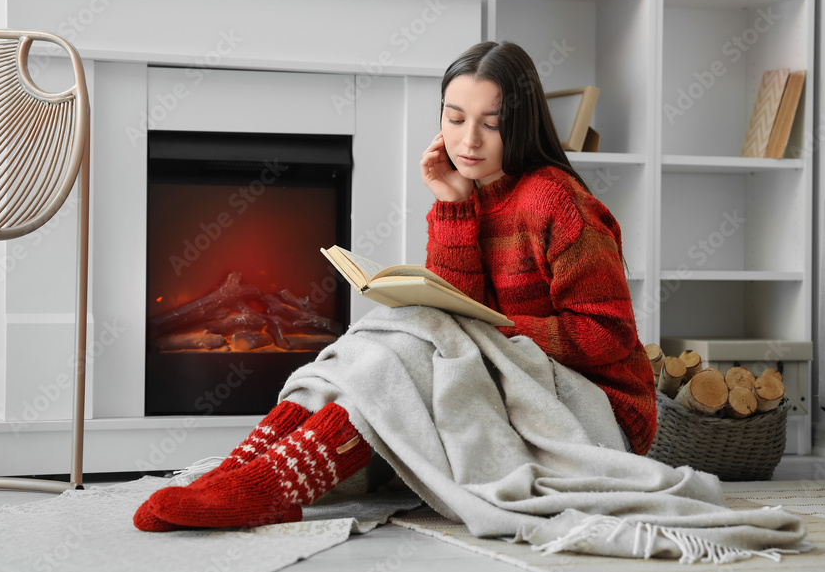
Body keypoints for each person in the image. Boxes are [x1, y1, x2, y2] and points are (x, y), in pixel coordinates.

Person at [133, 40, 656, 532]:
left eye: (490, 125)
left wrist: (488, 333)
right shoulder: (465, 194)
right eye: (455, 119)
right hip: (503, 380)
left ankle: (273, 484)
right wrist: (451, 204)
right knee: (398, 339)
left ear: (520, 126)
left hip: (595, 409)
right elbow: (455, 305)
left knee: (416, 339)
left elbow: (606, 336)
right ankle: (247, 469)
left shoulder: (561, 207)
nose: (467, 140)